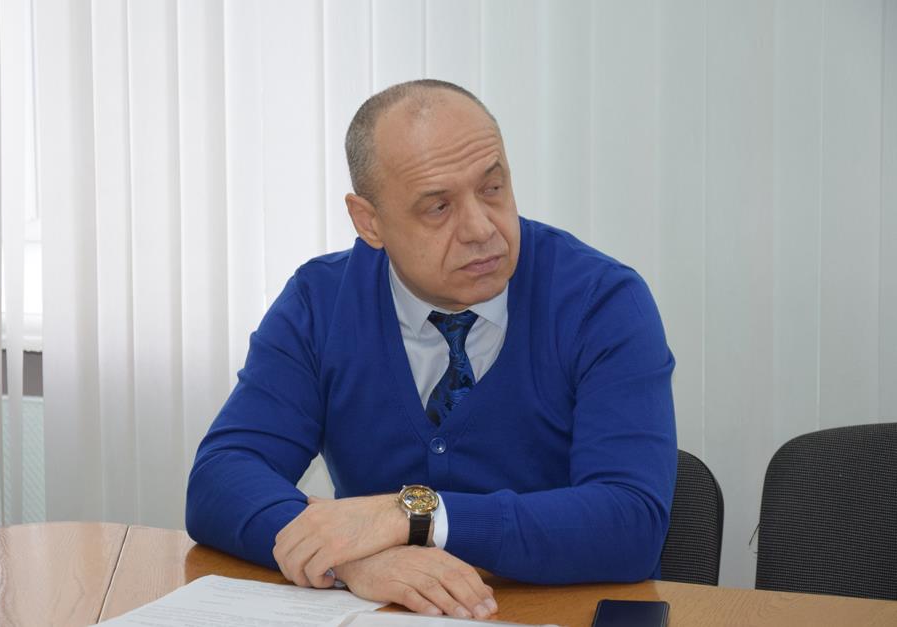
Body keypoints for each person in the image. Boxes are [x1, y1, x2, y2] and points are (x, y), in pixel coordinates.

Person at [186, 79, 677, 620]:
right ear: (369, 222)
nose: (481, 228)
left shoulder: (601, 302)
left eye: (493, 188)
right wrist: (351, 559)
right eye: (438, 207)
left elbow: (631, 521)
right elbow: (221, 477)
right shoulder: (320, 302)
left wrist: (415, 517)